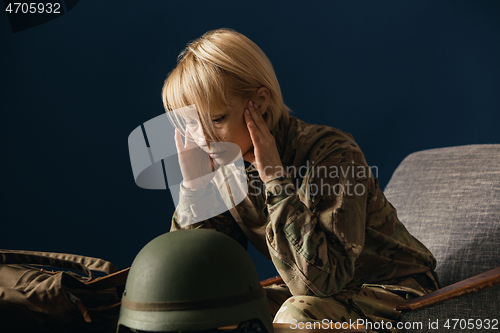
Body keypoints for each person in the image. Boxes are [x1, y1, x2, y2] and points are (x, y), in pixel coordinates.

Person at [161, 28, 438, 331]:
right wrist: (195, 189)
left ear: (260, 102)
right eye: (191, 123)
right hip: (324, 298)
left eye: (216, 119)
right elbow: (195, 280)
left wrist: (275, 180)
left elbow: (322, 280)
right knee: (216, 312)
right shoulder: (230, 165)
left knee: (296, 314)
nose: (203, 138)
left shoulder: (332, 154)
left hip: (399, 293)